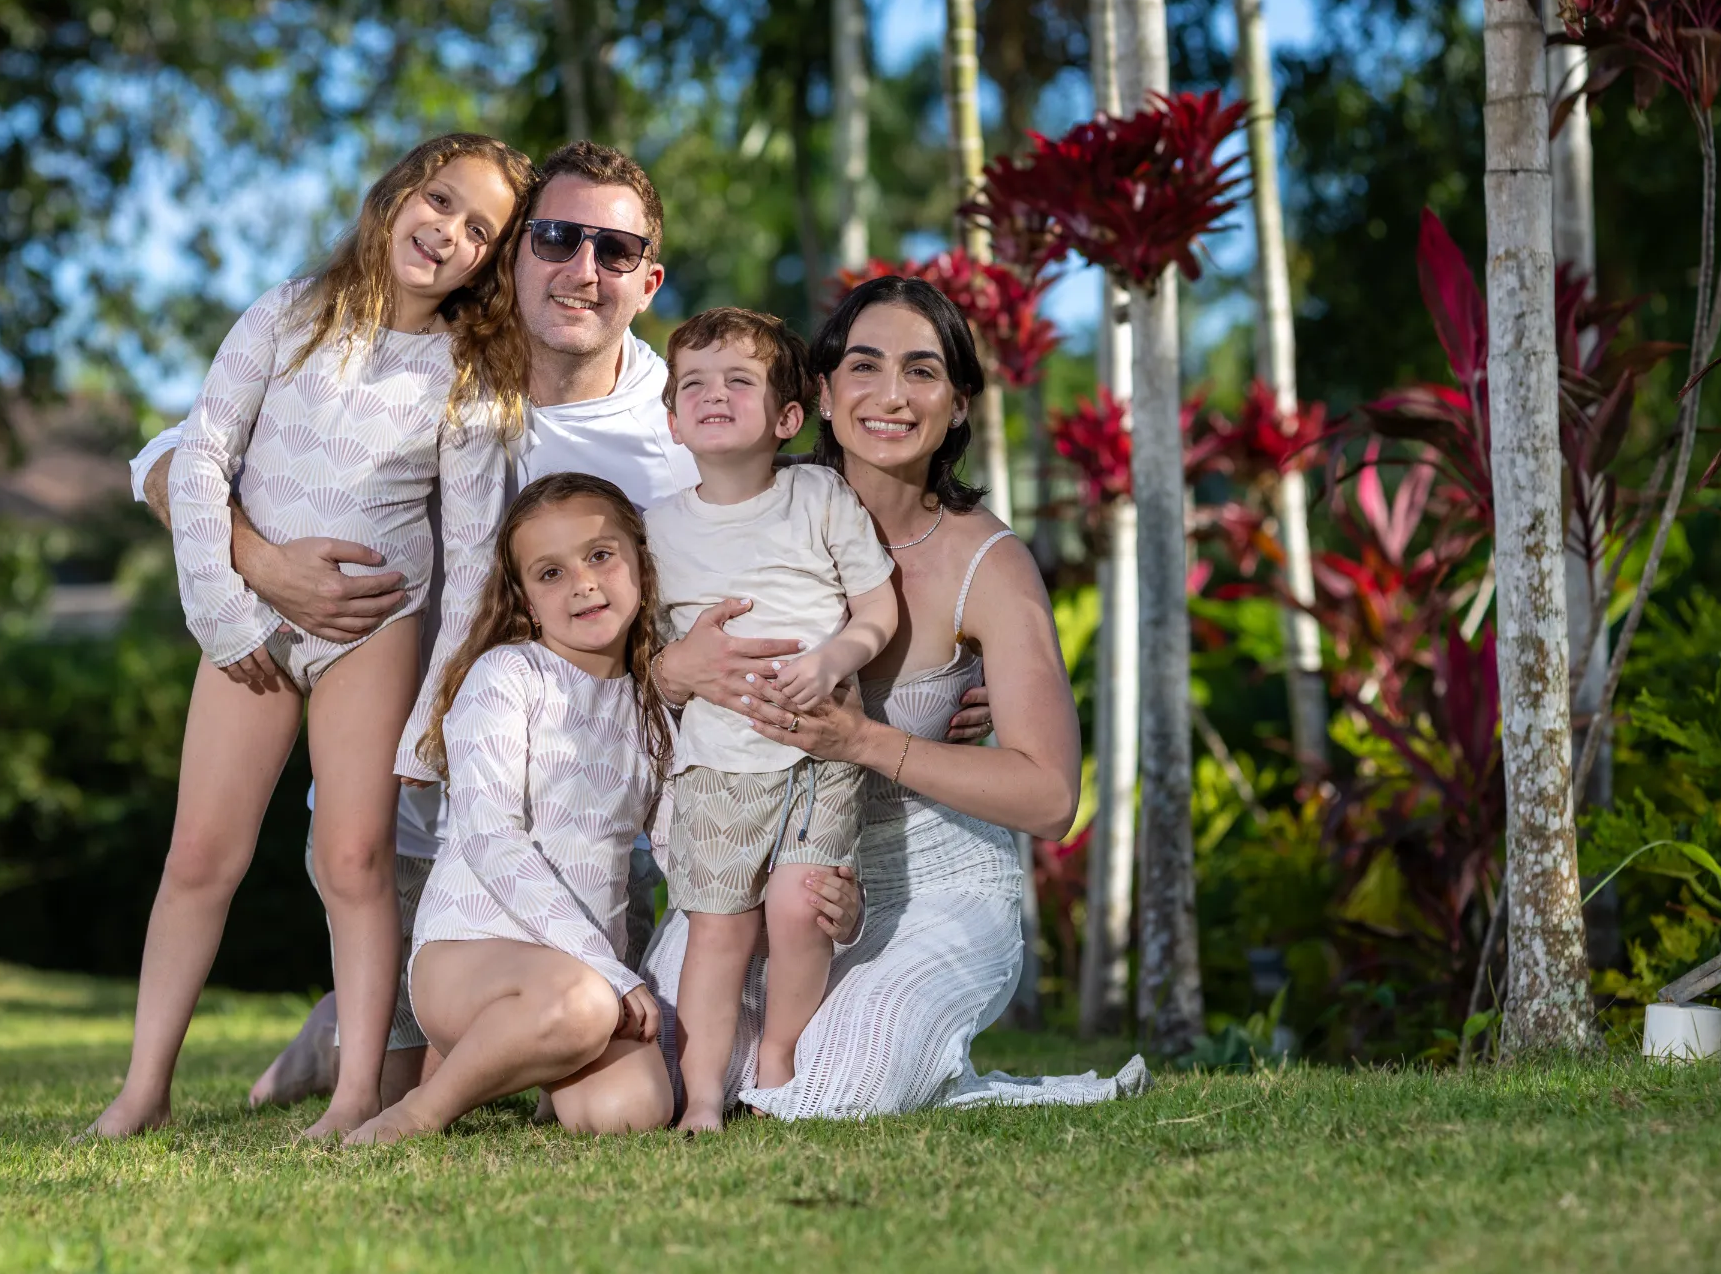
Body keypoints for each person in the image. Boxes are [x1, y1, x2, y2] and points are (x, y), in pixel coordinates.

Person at [129, 141, 717, 1109]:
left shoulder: (675, 427)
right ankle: (347, 1041)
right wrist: (262, 562)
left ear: (647, 279)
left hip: (571, 818)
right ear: (516, 259)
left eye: (613, 251)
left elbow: (767, 537)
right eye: (557, 238)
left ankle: (379, 1042)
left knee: (606, 1102)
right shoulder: (401, 347)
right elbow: (170, 454)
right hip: (411, 807)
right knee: (373, 980)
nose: (582, 269)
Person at [85, 132, 533, 1142]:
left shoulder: (468, 377)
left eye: (478, 231)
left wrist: (431, 719)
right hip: (247, 626)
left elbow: (471, 561)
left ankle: (354, 1093)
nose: (449, 233)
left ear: (489, 263)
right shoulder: (289, 312)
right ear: (396, 196)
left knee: (354, 857)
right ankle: (142, 1089)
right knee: (200, 853)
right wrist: (222, 605)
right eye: (441, 201)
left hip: (372, 636)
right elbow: (200, 455)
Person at [644, 275, 1150, 1118]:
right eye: (864, 366)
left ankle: (936, 1065)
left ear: (955, 405)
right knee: (675, 1070)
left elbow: (1051, 797)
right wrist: (672, 671)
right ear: (821, 392)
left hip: (933, 880)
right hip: (763, 869)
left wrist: (869, 741)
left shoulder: (987, 564)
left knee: (835, 1086)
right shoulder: (735, 511)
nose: (888, 394)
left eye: (920, 372)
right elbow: (615, 677)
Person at [347, 473, 678, 1144]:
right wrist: (608, 971)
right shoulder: (507, 677)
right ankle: (420, 1109)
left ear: (640, 561)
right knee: (584, 1004)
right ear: (524, 599)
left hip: (581, 972)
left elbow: (678, 853)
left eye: (600, 555)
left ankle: (544, 1072)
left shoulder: (652, 706)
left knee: (633, 1112)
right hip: (469, 955)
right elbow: (492, 838)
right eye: (550, 572)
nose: (583, 583)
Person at [643, 308, 898, 1132]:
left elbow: (875, 607)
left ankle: (780, 1060)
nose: (714, 395)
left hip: (819, 755)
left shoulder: (816, 495)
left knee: (797, 907)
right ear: (671, 419)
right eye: (695, 384)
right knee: (716, 936)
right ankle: (704, 1096)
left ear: (787, 418)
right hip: (716, 768)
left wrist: (835, 658)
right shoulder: (655, 528)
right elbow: (649, 655)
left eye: (739, 381)